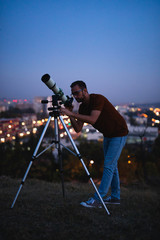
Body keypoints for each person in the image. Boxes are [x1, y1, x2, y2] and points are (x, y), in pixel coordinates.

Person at [60, 81, 128, 208]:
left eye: (77, 93)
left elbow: (93, 119)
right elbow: (78, 129)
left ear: (85, 90)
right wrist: (70, 115)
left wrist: (72, 114)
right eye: (73, 94)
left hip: (119, 133)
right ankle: (115, 198)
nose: (75, 96)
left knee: (108, 165)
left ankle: (98, 199)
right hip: (108, 135)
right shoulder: (82, 108)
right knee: (113, 167)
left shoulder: (98, 99)